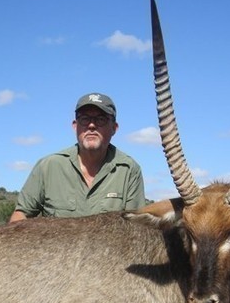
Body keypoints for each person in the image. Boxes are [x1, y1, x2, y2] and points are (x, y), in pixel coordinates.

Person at [8, 93, 146, 222]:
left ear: (114, 128)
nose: (91, 125)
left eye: (101, 119)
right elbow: (21, 215)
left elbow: (136, 226)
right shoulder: (49, 166)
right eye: (85, 119)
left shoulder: (129, 170)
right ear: (75, 126)